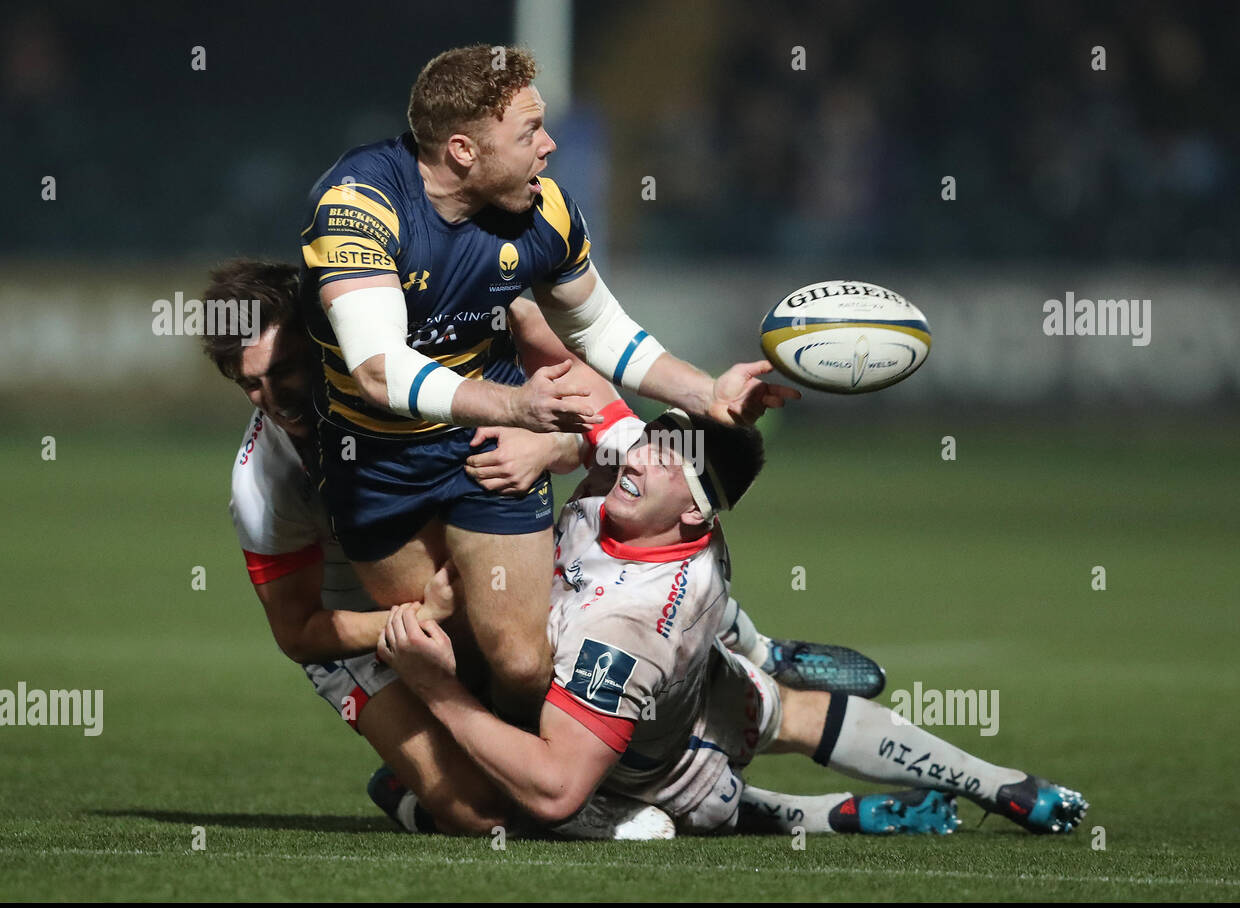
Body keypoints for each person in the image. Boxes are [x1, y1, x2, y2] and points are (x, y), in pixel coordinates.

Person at [201, 259, 880, 837]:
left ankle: (749, 644)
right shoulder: (263, 483)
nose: (273, 397)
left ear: (327, 333)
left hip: (455, 579)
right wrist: (410, 623)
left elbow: (611, 434)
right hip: (366, 633)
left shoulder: (417, 364)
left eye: (284, 368)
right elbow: (298, 632)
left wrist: (555, 441)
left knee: (546, 666)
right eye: (250, 385)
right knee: (478, 810)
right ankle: (415, 791)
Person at [299, 44, 798, 719]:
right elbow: (378, 368)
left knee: (524, 663)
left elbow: (599, 330)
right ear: (463, 151)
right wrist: (518, 403)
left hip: (485, 446)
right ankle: (496, 800)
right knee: (450, 642)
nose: (550, 145)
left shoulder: (545, 212)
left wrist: (703, 393)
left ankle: (541, 803)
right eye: (530, 131)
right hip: (375, 460)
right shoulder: (360, 205)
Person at [379, 408, 1090, 837]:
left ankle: (798, 811)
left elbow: (559, 783)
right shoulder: (672, 512)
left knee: (622, 809)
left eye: (664, 459)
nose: (637, 457)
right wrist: (555, 444)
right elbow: (602, 421)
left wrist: (438, 691)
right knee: (792, 710)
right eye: (648, 441)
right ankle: (994, 780)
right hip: (702, 676)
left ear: (692, 510)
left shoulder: (625, 629)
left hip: (642, 760)